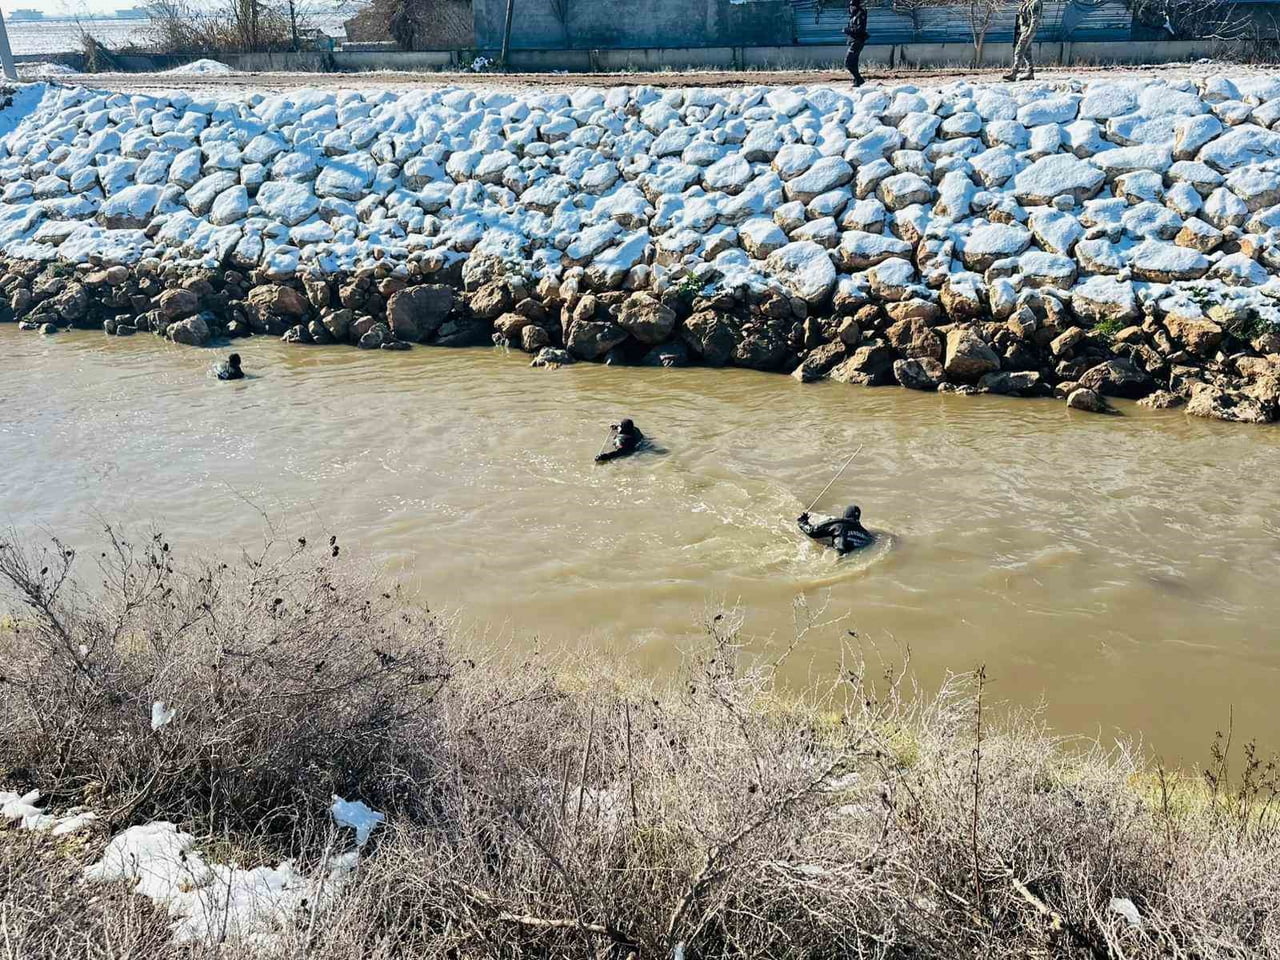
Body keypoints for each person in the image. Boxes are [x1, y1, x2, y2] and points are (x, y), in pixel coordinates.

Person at [797, 505, 874, 554]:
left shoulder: (840, 523)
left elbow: (811, 531)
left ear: (845, 514)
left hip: (839, 557)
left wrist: (802, 522)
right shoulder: (866, 534)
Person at [1005, 0, 1044, 81]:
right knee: (1027, 52)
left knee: (1019, 50)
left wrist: (1029, 33)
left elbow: (1035, 19)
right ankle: (1030, 73)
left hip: (1028, 30)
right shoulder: (1027, 2)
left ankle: (1014, 73)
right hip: (1024, 30)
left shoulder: (1035, 2)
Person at [843, 0, 869, 87]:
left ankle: (859, 79)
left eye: (853, 6)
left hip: (857, 41)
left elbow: (860, 29)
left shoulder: (860, 14)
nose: (851, 8)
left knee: (848, 62)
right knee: (853, 62)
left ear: (857, 6)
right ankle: (857, 80)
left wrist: (848, 31)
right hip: (854, 41)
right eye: (850, 6)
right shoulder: (854, 15)